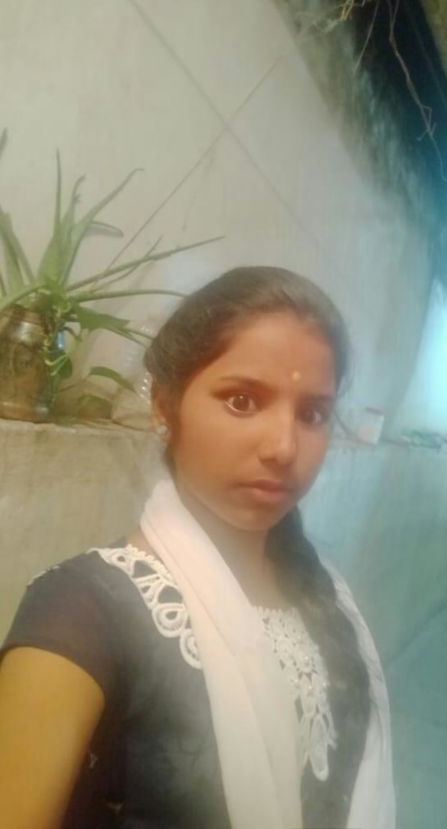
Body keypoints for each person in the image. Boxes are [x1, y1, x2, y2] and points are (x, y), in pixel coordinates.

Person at [0, 266, 395, 829]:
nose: (283, 447)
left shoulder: (324, 589)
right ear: (165, 404)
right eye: (242, 401)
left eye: (312, 414)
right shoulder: (80, 612)